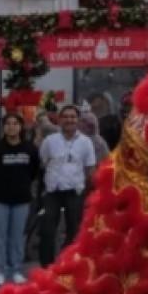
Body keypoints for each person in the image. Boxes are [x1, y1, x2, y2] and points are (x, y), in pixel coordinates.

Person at [0, 113, 40, 286]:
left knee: (17, 237)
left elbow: (33, 171)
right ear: (4, 127)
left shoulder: (29, 149)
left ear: (21, 127)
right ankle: (0, 271)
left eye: (15, 123)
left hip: (21, 200)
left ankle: (16, 270)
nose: (12, 126)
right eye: (8, 123)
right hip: (0, 200)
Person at [38, 105, 97, 268]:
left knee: (74, 230)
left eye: (73, 117)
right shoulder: (50, 141)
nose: (69, 120)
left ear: (78, 120)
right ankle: (47, 267)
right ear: (59, 119)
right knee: (47, 230)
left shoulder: (86, 143)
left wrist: (85, 187)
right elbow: (43, 162)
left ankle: (67, 265)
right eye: (66, 117)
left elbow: (90, 168)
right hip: (53, 192)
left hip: (75, 192)